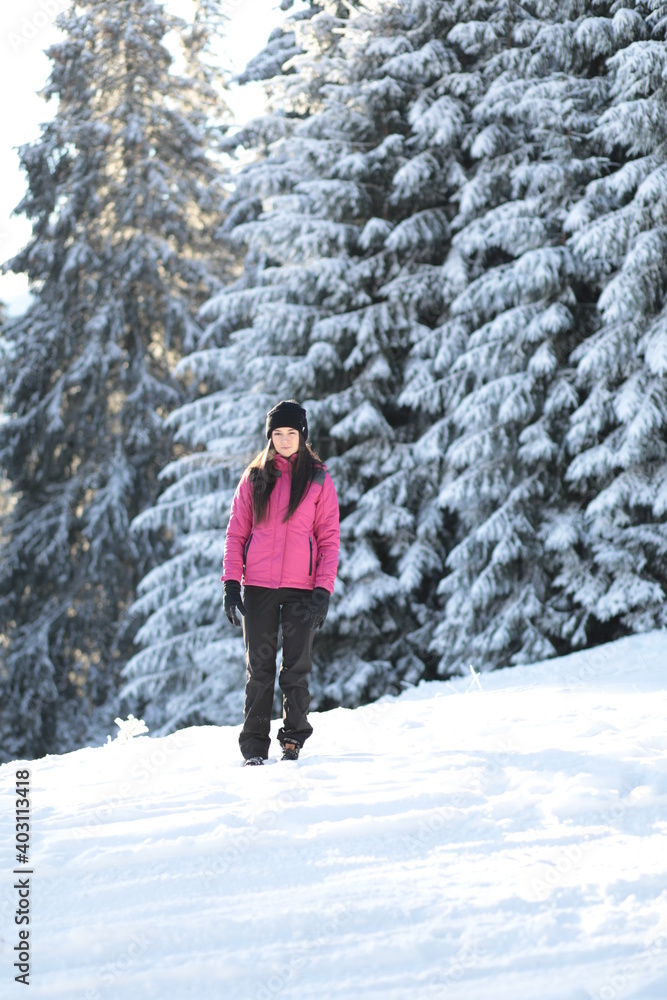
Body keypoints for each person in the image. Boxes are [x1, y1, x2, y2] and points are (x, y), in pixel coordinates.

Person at [221, 399, 340, 766]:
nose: (285, 440)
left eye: (291, 433)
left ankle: (292, 740)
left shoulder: (319, 477)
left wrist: (324, 589)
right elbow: (237, 533)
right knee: (259, 670)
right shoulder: (255, 476)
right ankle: (255, 747)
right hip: (257, 586)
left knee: (296, 668)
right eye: (277, 434)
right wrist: (230, 583)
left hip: (303, 588)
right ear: (269, 437)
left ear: (302, 435)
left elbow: (328, 537)